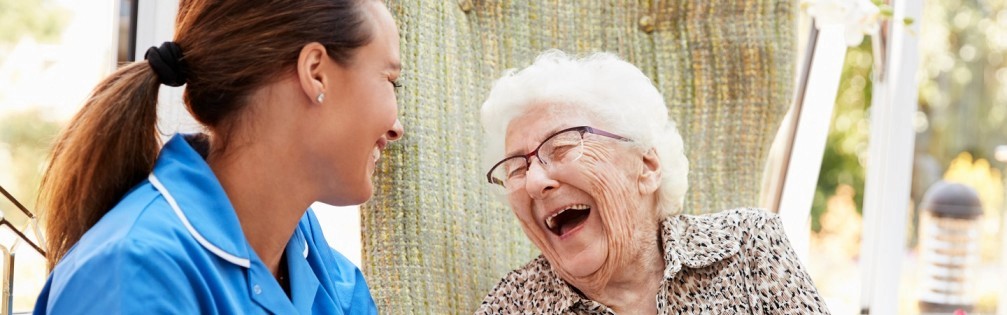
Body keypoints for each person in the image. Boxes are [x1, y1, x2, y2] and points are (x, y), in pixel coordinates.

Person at [34, 0, 403, 313]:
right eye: (390, 80)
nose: (397, 127)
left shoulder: (325, 276)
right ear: (316, 73)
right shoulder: (131, 272)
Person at [476, 51, 829, 314]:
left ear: (646, 166)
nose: (535, 181)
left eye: (563, 145)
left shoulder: (747, 245)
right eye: (516, 169)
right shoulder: (512, 305)